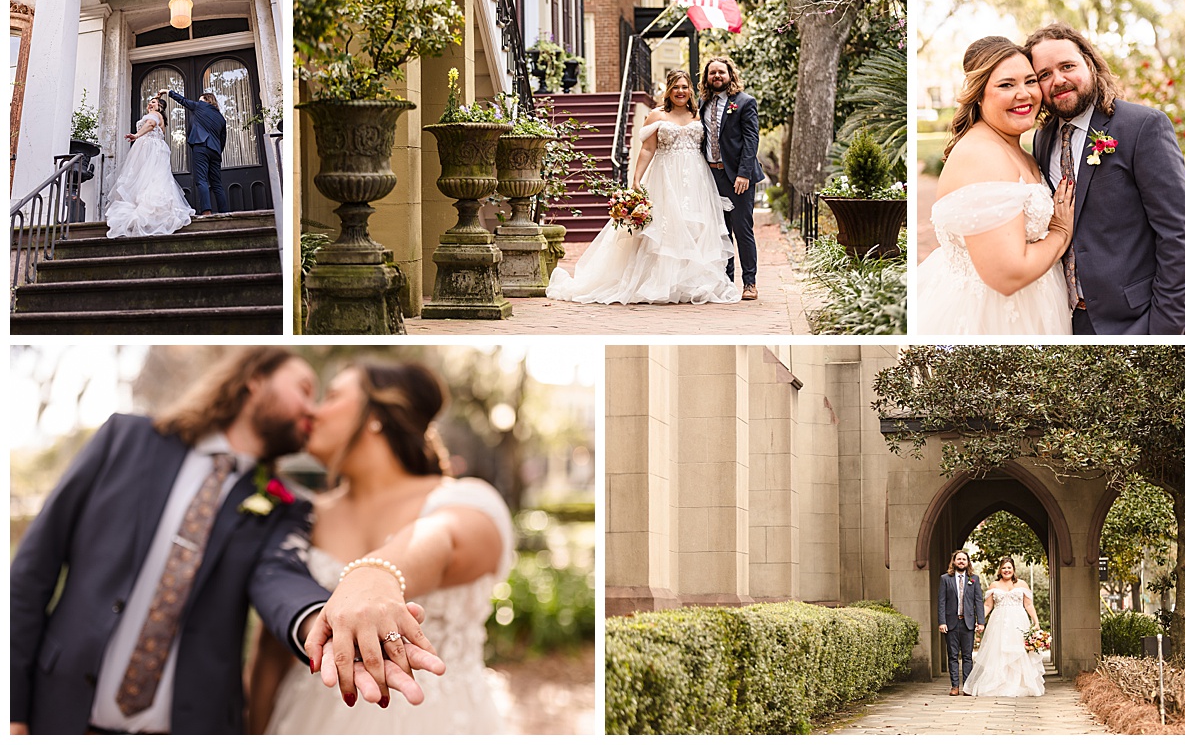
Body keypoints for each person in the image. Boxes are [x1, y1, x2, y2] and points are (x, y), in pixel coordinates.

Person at [9, 347, 440, 735]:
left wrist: (322, 621)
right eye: (305, 389)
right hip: (56, 713)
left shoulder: (285, 504)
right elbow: (29, 576)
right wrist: (12, 710)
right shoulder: (125, 439)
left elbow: (280, 578)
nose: (311, 410)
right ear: (255, 378)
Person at [249, 360, 513, 734]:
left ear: (376, 414)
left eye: (332, 396)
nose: (313, 411)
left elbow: (442, 539)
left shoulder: (464, 500)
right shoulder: (302, 517)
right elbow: (272, 651)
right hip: (307, 721)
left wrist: (374, 575)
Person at [1026, 22, 1185, 335]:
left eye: (1067, 66)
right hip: (1066, 320)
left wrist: (1163, 329)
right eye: (1044, 75)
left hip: (1138, 321)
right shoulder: (1042, 140)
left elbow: (1179, 234)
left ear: (1089, 63)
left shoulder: (1142, 127)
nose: (1058, 80)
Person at [916, 37, 1075, 334]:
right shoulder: (983, 155)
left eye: (1030, 81)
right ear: (979, 95)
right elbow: (1007, 275)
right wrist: (1060, 232)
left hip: (1037, 306)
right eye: (1006, 85)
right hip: (992, 317)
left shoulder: (1021, 149)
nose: (1024, 94)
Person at [546, 69, 740, 304]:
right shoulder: (657, 116)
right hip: (665, 175)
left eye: (684, 87)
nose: (680, 91)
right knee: (665, 228)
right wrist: (636, 179)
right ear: (668, 91)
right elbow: (648, 149)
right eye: (675, 87)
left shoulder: (699, 115)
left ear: (691, 90)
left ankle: (690, 283)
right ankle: (659, 282)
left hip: (696, 178)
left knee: (693, 226)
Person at [698, 56, 765, 301]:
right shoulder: (702, 103)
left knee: (742, 229)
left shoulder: (745, 103)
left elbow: (751, 140)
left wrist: (744, 174)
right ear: (706, 77)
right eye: (712, 73)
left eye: (721, 72)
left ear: (730, 75)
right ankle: (726, 282)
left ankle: (750, 283)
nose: (717, 76)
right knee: (720, 231)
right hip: (711, 176)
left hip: (738, 178)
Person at [104, 95, 194, 238]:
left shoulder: (154, 115)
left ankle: (146, 212)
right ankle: (157, 212)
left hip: (149, 149)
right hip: (156, 149)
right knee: (155, 178)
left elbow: (151, 123)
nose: (150, 105)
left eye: (153, 102)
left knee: (145, 178)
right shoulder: (161, 118)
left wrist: (137, 135)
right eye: (149, 103)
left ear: (160, 106)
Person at [963, 557, 1045, 697]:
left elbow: (1029, 605)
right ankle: (998, 683)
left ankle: (1019, 684)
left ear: (1013, 570)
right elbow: (988, 605)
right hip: (998, 622)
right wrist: (980, 621)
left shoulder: (1022, 584)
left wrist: (1036, 622)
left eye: (1009, 568)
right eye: (1004, 568)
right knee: (998, 650)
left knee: (1018, 651)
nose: (1007, 570)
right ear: (1000, 570)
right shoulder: (994, 585)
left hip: (1019, 622)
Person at [159, 88, 228, 216]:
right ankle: (224, 212)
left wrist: (168, 92)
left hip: (201, 146)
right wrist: (217, 151)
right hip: (215, 151)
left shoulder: (200, 106)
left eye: (200, 99)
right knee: (217, 183)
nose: (198, 101)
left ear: (206, 100)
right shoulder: (221, 118)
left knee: (201, 180)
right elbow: (222, 138)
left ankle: (206, 211)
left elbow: (183, 100)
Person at [937, 549, 985, 696]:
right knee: (952, 655)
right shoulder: (945, 579)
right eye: (959, 559)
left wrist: (981, 622)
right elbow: (941, 602)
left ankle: (967, 687)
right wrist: (942, 622)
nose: (961, 561)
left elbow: (978, 601)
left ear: (967, 562)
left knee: (967, 656)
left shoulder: (974, 579)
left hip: (968, 623)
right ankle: (954, 686)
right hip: (951, 623)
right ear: (954, 561)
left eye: (964, 559)